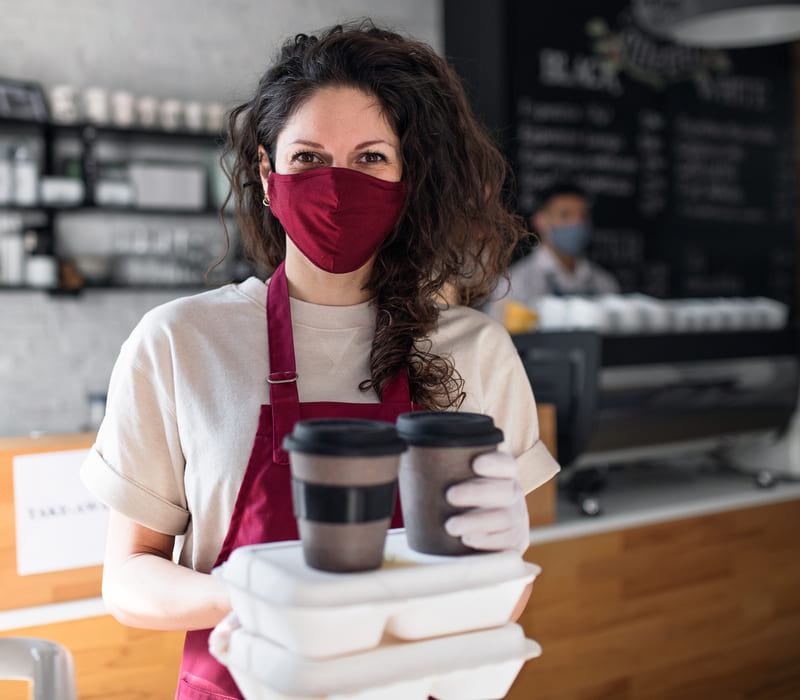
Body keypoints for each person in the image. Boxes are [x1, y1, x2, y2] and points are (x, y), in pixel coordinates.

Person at [80, 21, 560, 699]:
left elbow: (500, 603)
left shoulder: (475, 351)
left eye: (370, 158)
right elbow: (128, 580)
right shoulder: (180, 342)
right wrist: (260, 600)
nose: (338, 186)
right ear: (266, 173)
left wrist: (498, 561)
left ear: (408, 176)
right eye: (309, 158)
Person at [498, 181, 620, 309]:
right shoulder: (514, 285)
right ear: (540, 221)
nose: (577, 223)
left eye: (583, 216)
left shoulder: (605, 284)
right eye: (565, 215)